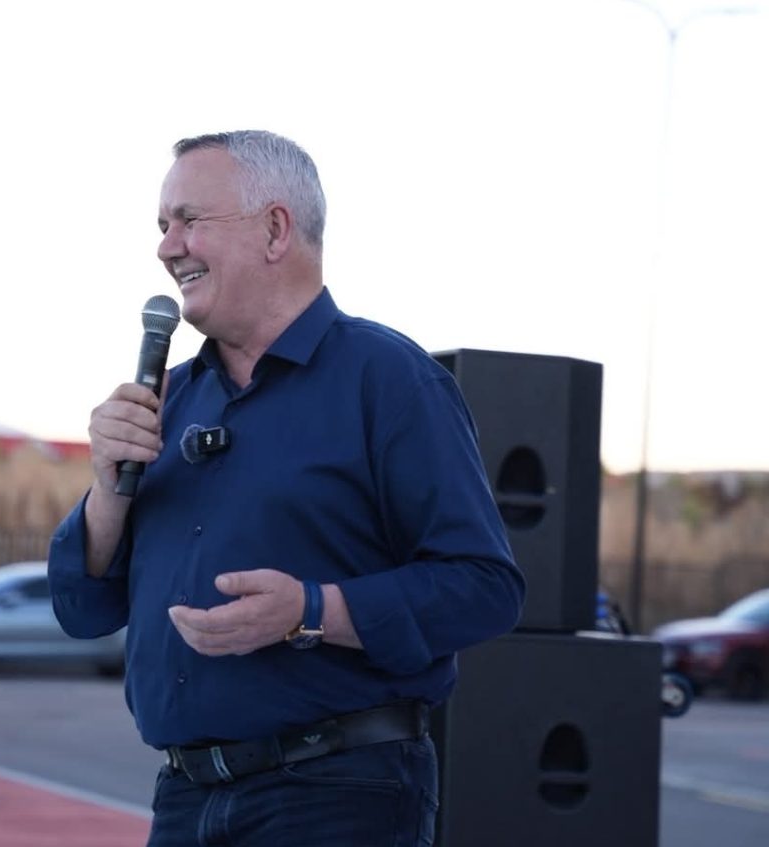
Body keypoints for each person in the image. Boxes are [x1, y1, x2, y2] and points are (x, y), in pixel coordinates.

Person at [49, 130, 526, 847]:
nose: (166, 247)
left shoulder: (389, 380)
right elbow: (82, 609)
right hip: (185, 798)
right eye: (162, 225)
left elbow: (485, 588)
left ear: (275, 229)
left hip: (336, 795)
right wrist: (107, 490)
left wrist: (311, 611)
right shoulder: (170, 400)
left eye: (189, 220)